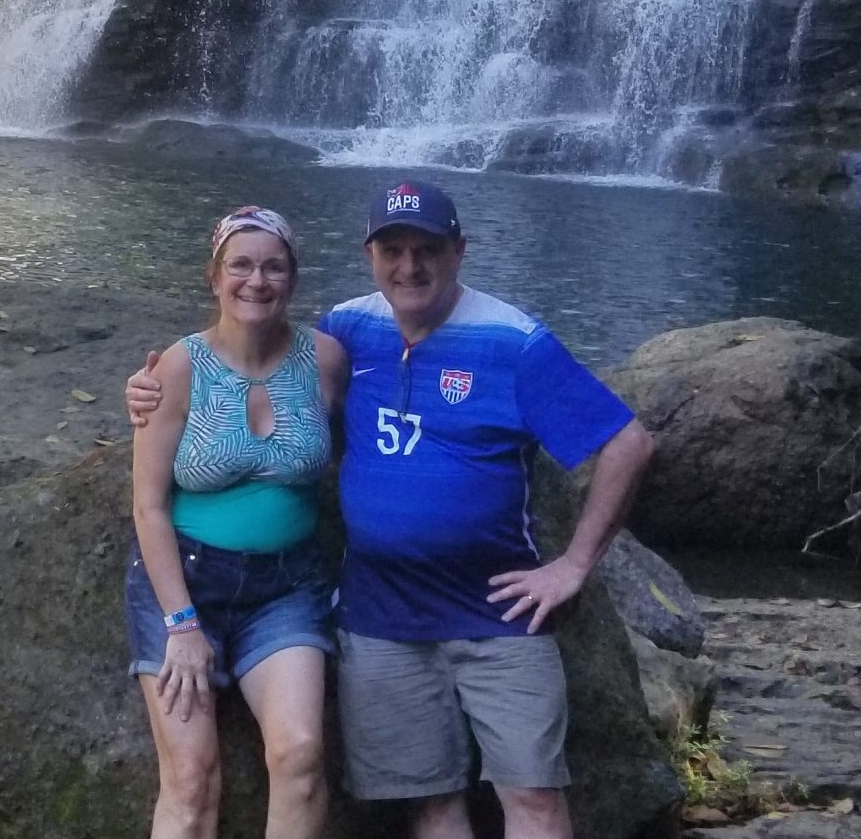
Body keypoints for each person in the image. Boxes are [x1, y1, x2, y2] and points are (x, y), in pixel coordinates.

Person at [129, 180, 654, 839]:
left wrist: (574, 565)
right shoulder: (349, 332)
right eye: (394, 250)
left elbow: (628, 443)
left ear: (459, 250)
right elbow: (244, 366)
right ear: (369, 255)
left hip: (496, 614)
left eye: (428, 249)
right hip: (382, 618)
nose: (411, 267)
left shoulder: (511, 341)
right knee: (428, 804)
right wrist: (150, 391)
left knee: (535, 799)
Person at [125, 206, 348, 839]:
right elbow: (148, 505)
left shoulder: (327, 359)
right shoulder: (177, 367)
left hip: (287, 589)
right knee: (192, 777)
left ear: (294, 280)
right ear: (214, 277)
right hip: (185, 583)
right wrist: (182, 623)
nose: (257, 280)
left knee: (301, 755)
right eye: (240, 266)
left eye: (273, 267)